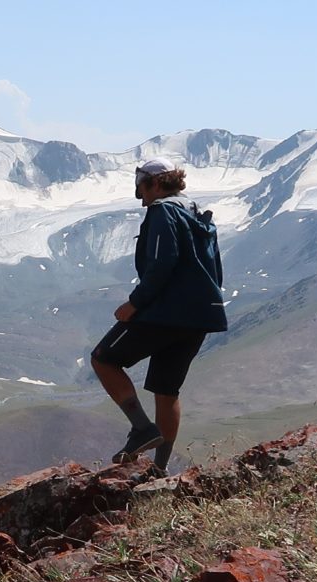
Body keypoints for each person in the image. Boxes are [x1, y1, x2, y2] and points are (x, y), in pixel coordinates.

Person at [90, 157, 228, 471]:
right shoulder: (196, 214)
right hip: (200, 316)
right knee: (167, 390)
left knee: (103, 358)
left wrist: (135, 303)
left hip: (167, 311)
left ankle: (141, 428)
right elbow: (214, 269)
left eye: (140, 187)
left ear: (154, 183)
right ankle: (159, 469)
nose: (140, 197)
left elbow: (162, 262)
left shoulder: (163, 211)